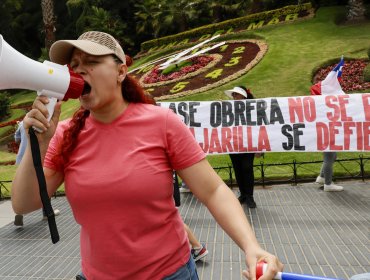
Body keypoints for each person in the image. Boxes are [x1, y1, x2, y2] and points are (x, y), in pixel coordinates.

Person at [11, 31, 283, 280]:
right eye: (73, 65)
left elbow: (213, 191)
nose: (79, 69)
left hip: (169, 274)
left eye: (91, 61)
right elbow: (24, 204)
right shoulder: (66, 134)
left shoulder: (162, 123)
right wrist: (39, 144)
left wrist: (252, 247)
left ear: (121, 71)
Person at [13, 121, 60, 227]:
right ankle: (46, 213)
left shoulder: (22, 123)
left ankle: (19, 214)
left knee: (22, 186)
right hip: (37, 158)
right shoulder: (43, 122)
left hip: (22, 159)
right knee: (43, 185)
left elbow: (16, 138)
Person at [224, 86, 261, 208]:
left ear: (243, 96)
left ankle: (249, 196)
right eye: (233, 95)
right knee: (238, 170)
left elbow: (259, 128)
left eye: (236, 94)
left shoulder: (253, 109)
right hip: (234, 146)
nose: (234, 97)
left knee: (247, 168)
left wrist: (259, 147)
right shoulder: (229, 109)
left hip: (248, 145)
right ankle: (243, 195)